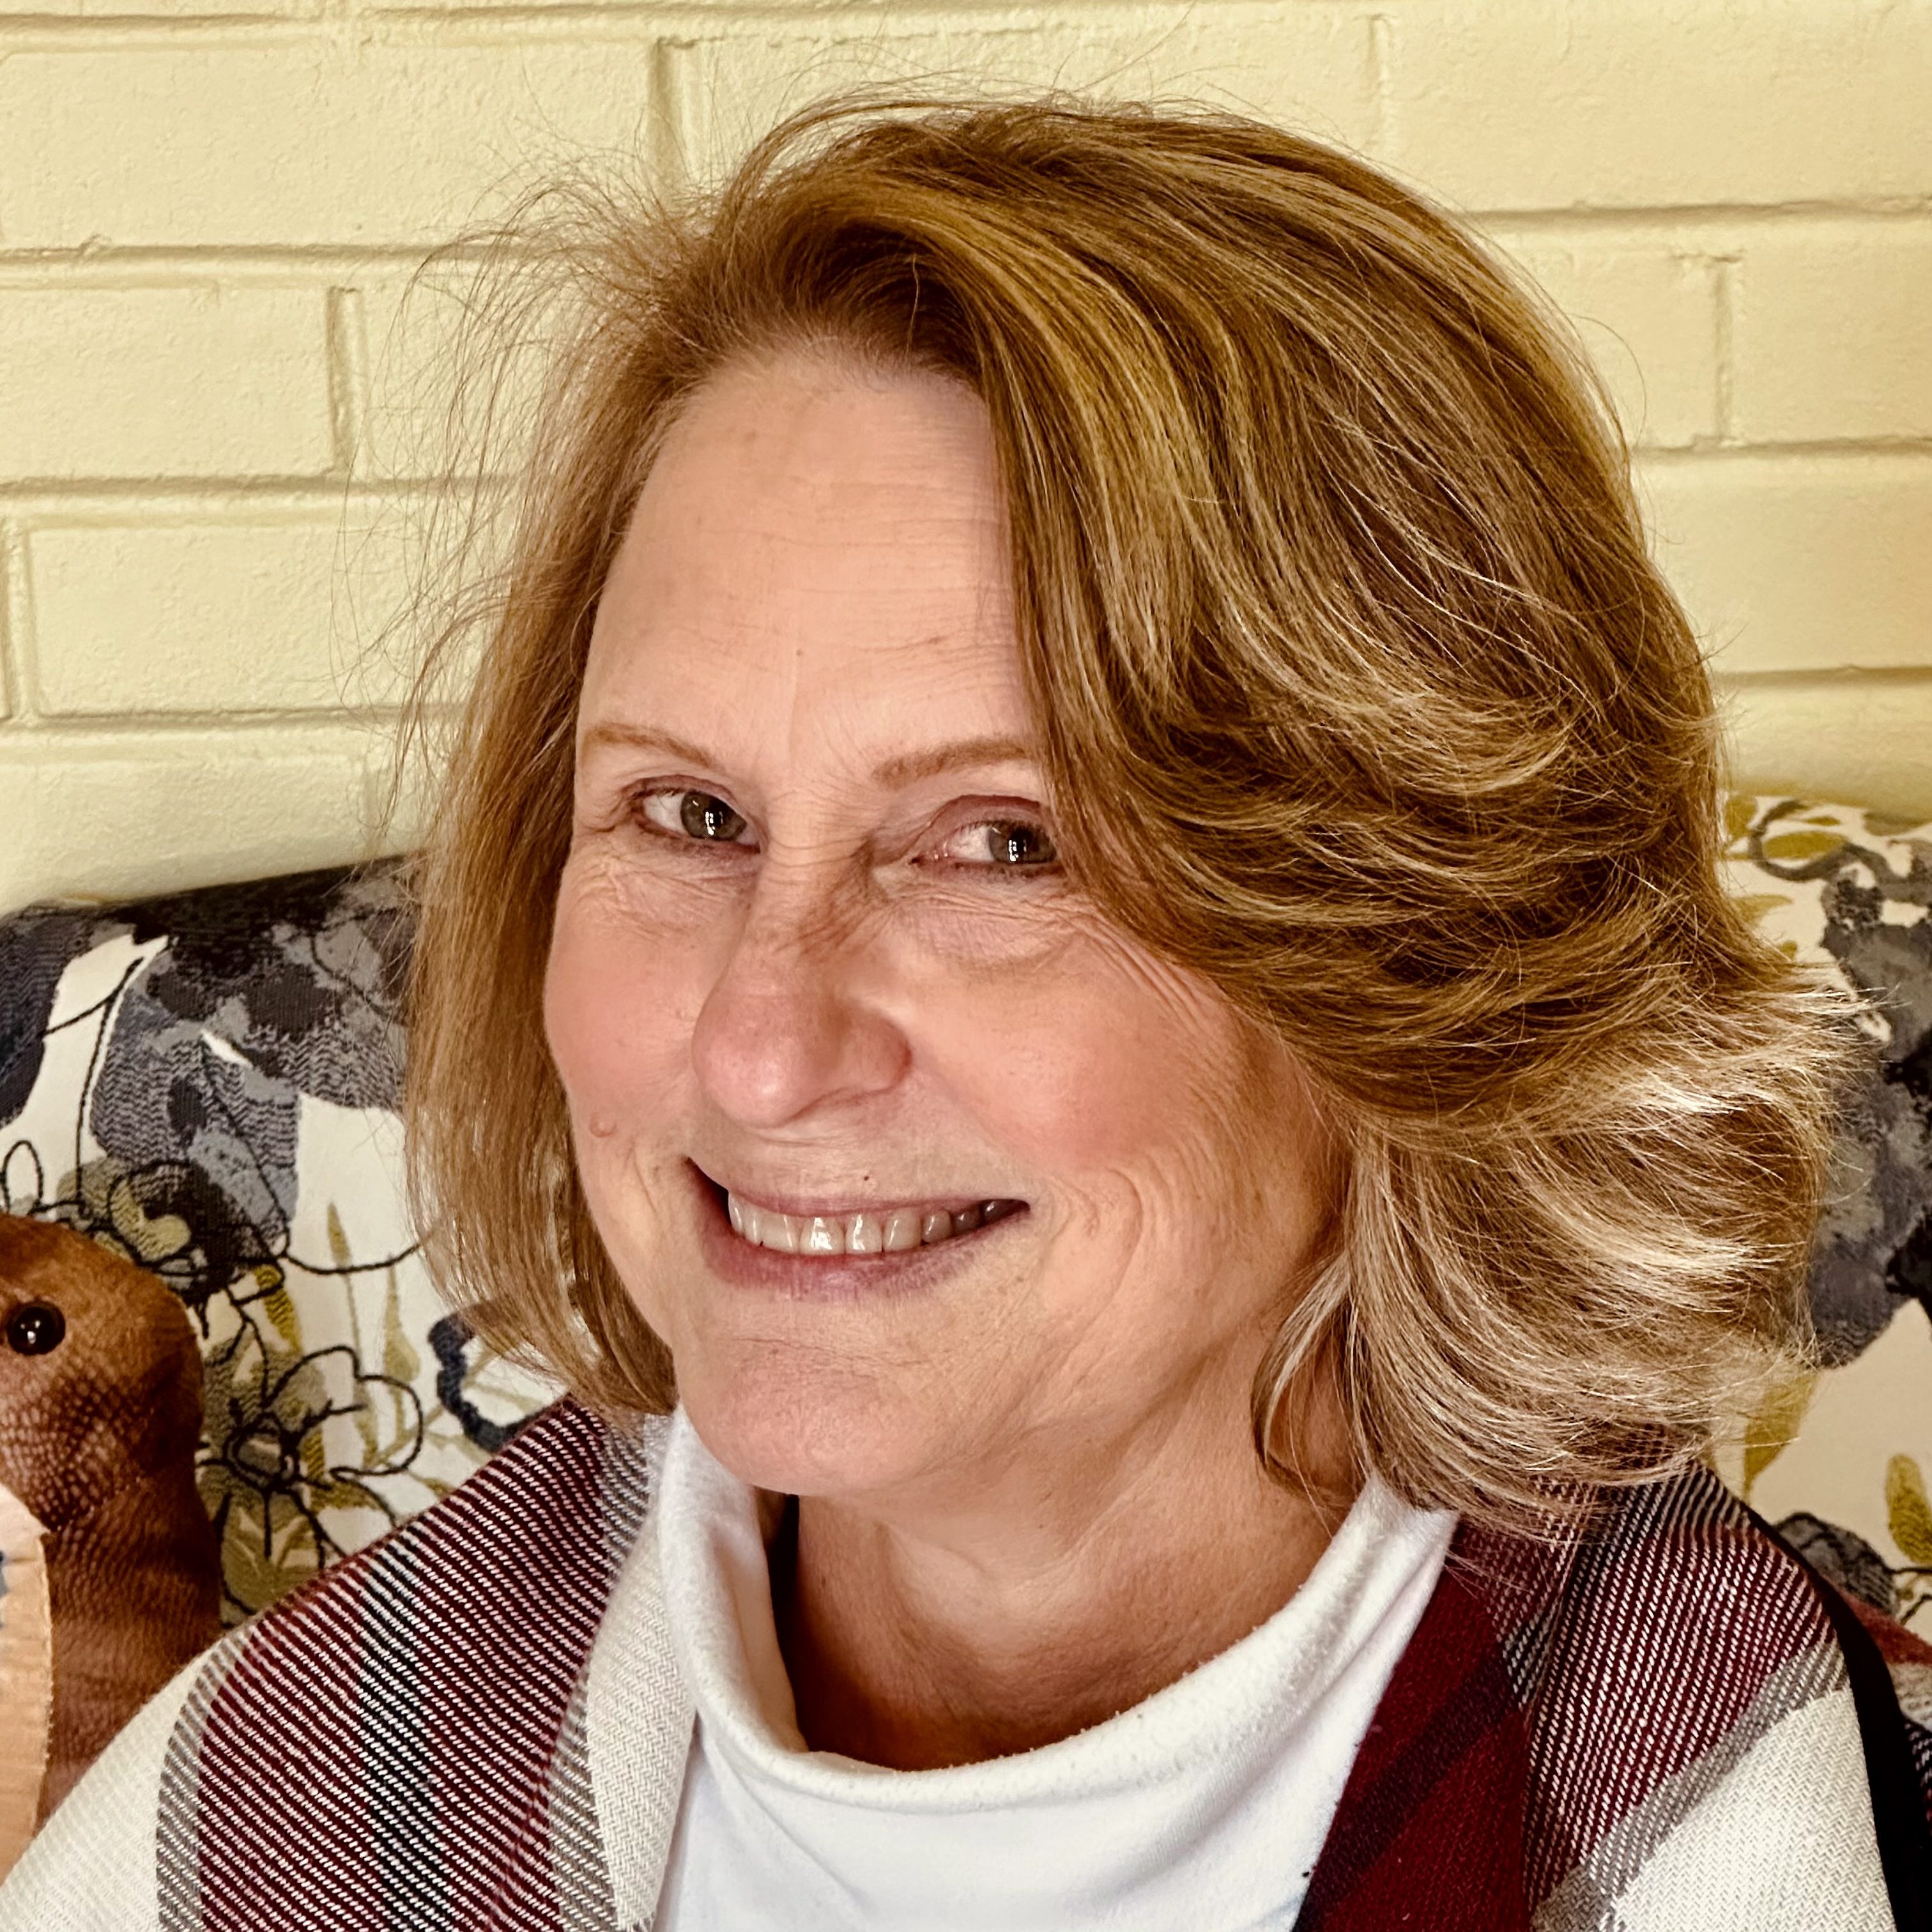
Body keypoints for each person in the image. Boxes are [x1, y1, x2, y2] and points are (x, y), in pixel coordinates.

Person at [4, 95, 1928, 1932]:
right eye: (689, 815)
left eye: (1007, 845)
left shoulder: (1755, 1830)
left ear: (1425, 960)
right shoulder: (274, 1803)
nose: (760, 1051)